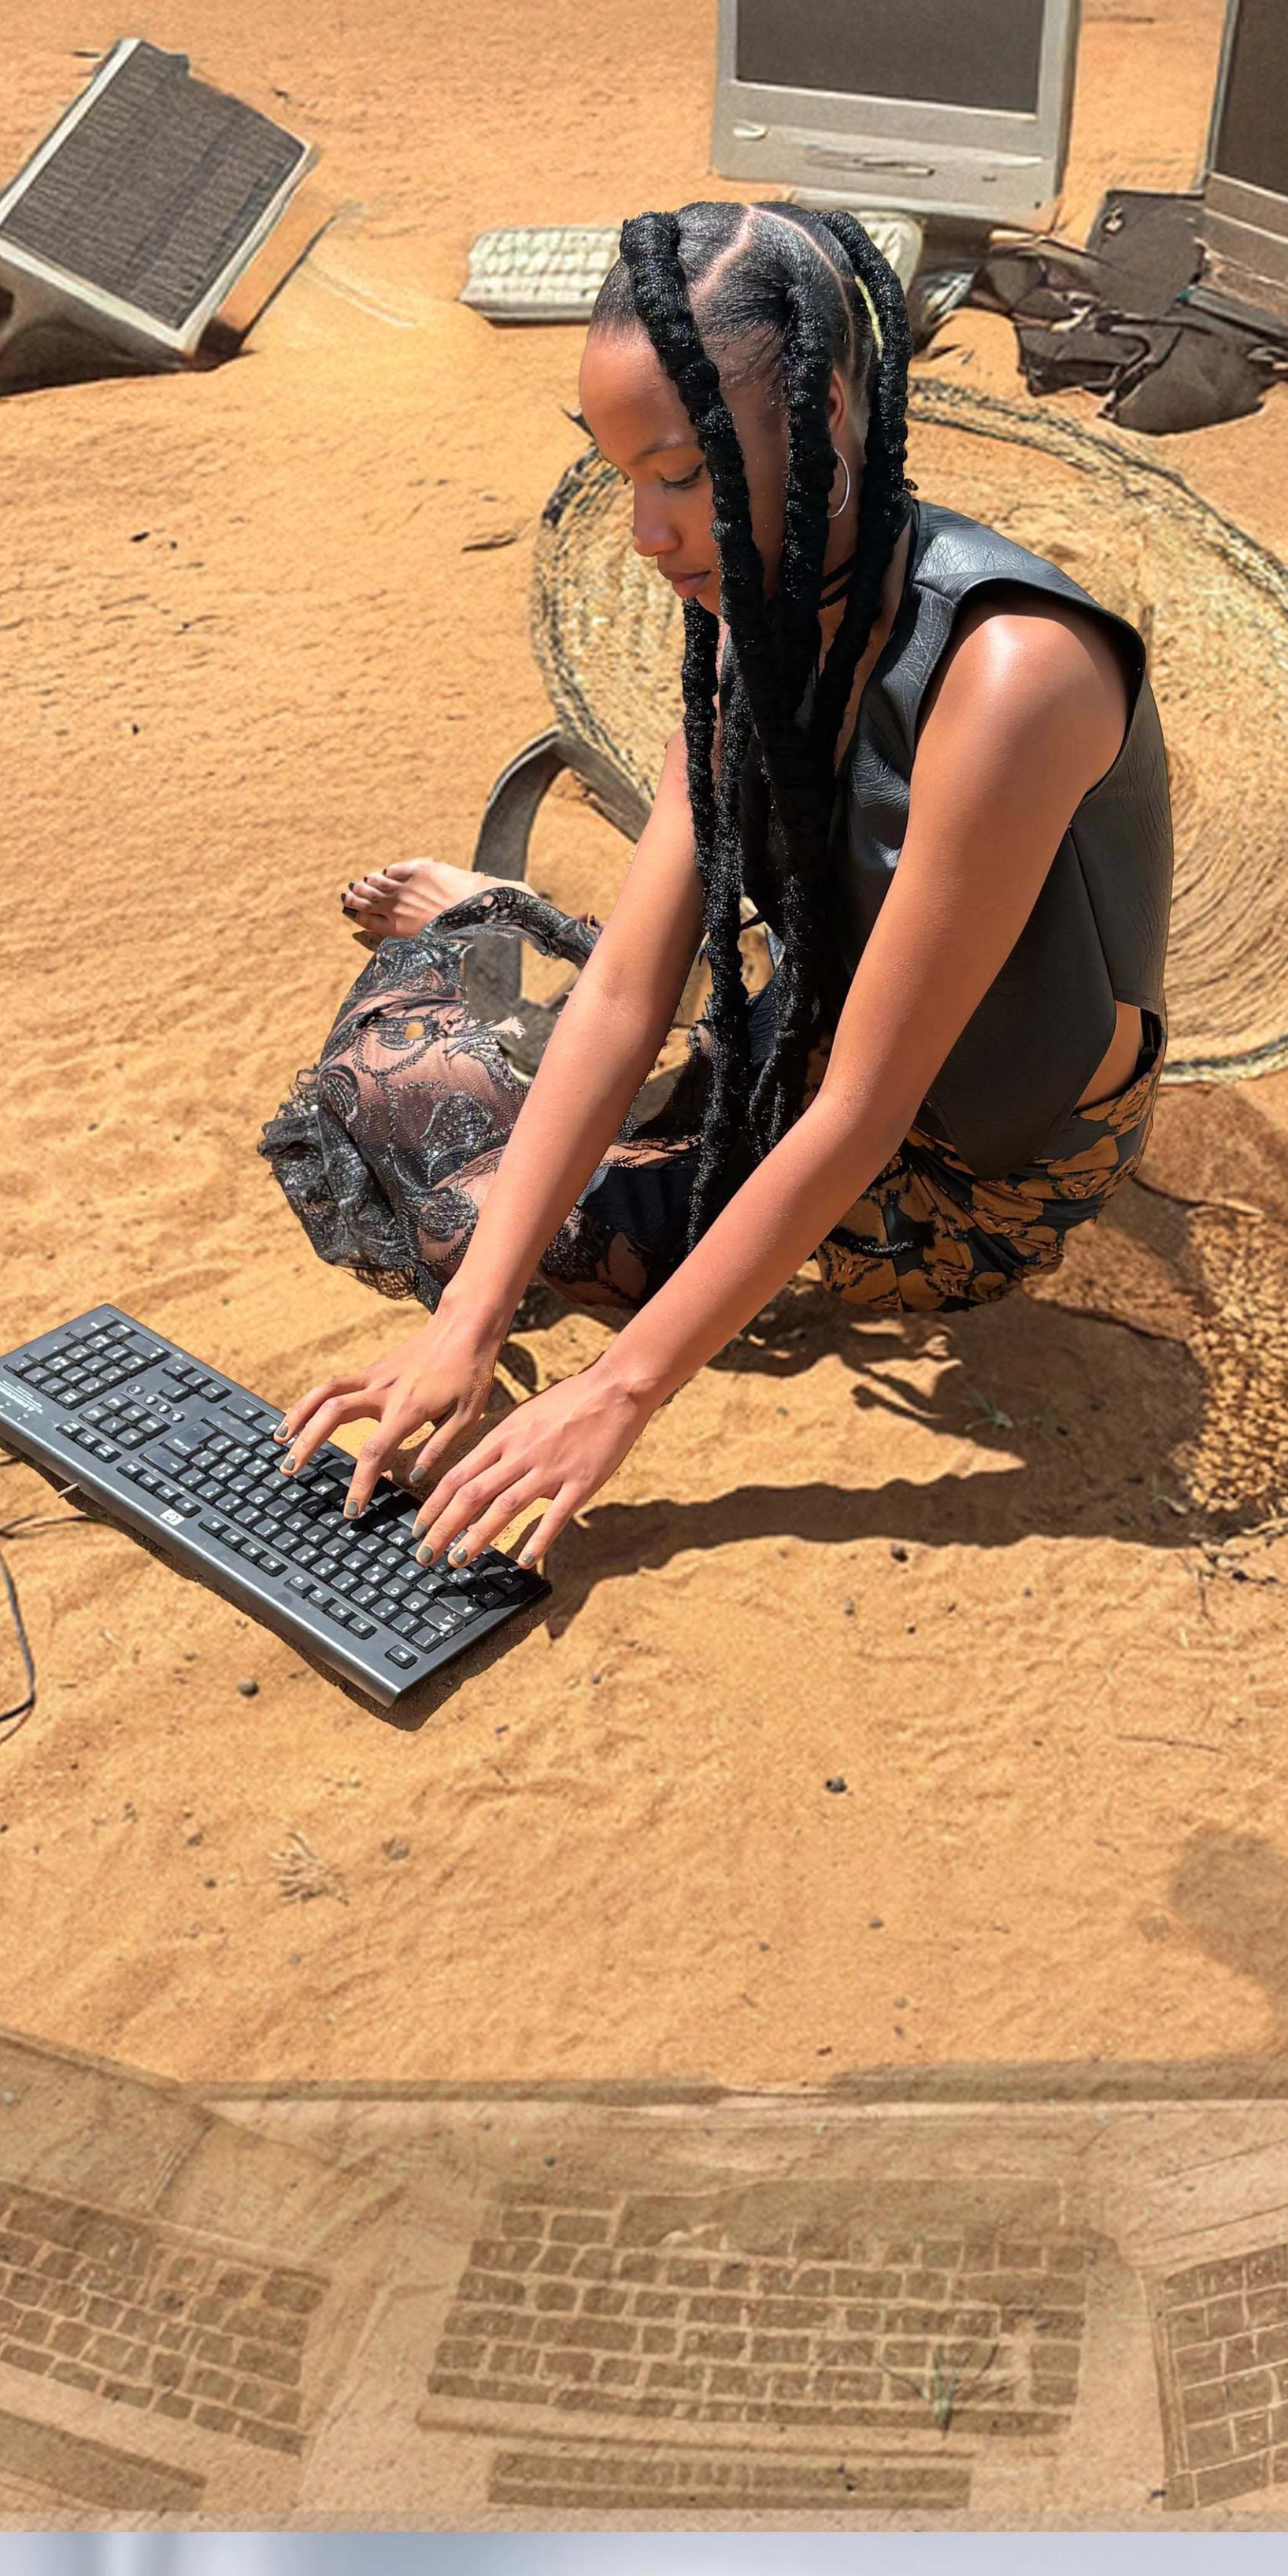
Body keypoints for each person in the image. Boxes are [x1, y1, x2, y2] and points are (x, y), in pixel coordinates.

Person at [259, 199, 1171, 1575]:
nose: (646, 530)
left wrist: (615, 1389)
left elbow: (869, 1112)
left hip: (961, 1169)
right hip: (801, 1053)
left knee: (452, 1187)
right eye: (622, 472)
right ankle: (500, 942)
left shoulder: (1011, 676)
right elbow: (631, 990)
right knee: (393, 1085)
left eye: (682, 472)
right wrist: (472, 1326)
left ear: (834, 420)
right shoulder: (764, 607)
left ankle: (497, 932)